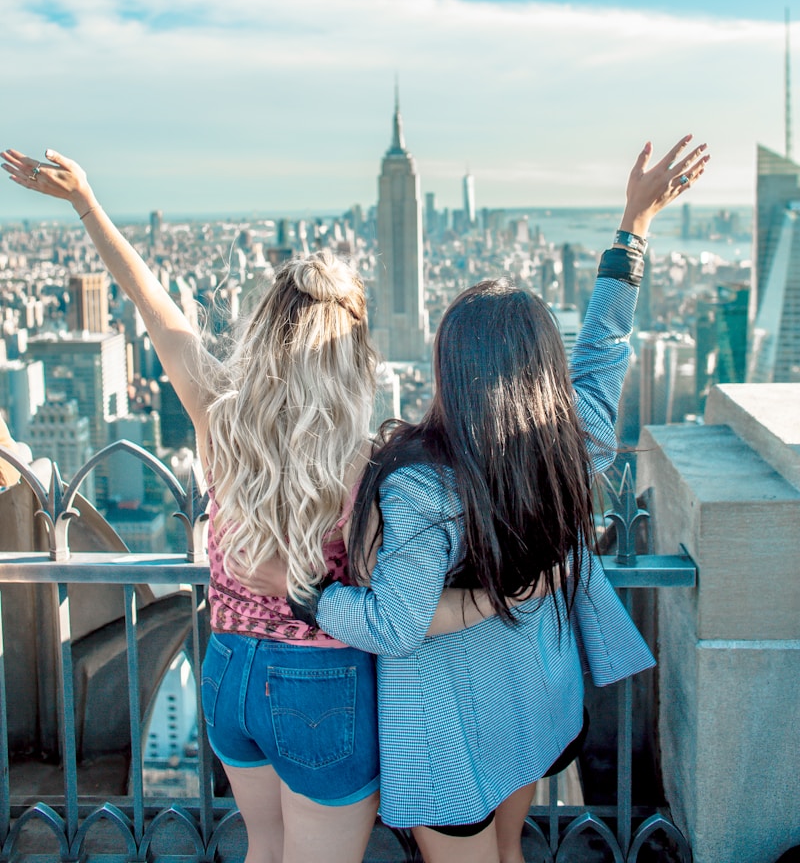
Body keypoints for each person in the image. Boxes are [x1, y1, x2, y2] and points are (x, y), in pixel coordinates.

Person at [0, 145, 480, 863]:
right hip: (322, 682)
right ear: (350, 347)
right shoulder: (372, 462)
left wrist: (87, 203)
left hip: (228, 671)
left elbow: (153, 308)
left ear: (268, 329)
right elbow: (392, 606)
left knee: (262, 847)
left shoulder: (220, 414)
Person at [273, 134, 710, 863]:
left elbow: (394, 625)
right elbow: (604, 348)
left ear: (449, 369)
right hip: (536, 703)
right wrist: (634, 227)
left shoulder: (418, 482)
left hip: (455, 733)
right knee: (513, 849)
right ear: (543, 367)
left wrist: (313, 600)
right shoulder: (574, 440)